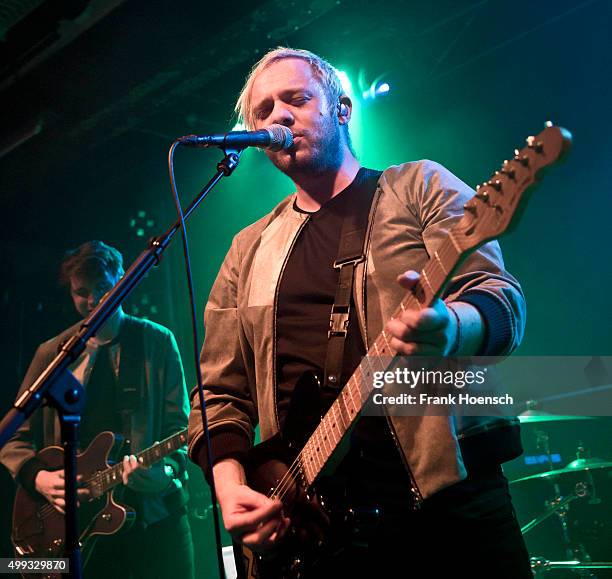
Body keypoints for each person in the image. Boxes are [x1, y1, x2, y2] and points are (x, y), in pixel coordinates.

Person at [188, 47, 532, 577]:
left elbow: (499, 294)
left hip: (447, 507)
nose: (279, 115)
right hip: (308, 525)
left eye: (297, 99)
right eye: (263, 110)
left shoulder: (418, 187)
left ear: (342, 109)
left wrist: (452, 328)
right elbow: (219, 394)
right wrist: (232, 489)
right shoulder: (247, 248)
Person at [0, 241, 194, 579]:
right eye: (82, 292)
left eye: (104, 287)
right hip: (75, 530)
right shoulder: (52, 354)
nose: (93, 301)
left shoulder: (157, 341)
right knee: (12, 568)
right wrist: (39, 478)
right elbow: (12, 434)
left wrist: (163, 473)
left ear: (123, 278)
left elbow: (181, 427)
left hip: (154, 520)